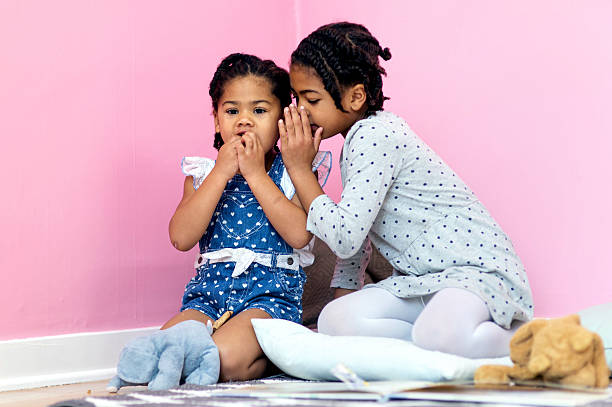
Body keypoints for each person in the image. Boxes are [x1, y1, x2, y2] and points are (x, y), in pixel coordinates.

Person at [279, 22, 534, 358]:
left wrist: (299, 169)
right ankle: (432, 340)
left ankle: (535, 338)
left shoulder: (375, 135)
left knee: (442, 336)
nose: (300, 110)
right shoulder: (358, 140)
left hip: (474, 274)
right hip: (423, 283)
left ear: (355, 96)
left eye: (311, 99)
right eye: (298, 97)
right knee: (333, 321)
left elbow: (344, 237)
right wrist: (347, 309)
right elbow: (358, 237)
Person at [110, 53, 330, 390]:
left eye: (259, 110)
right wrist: (221, 172)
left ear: (282, 120)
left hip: (268, 299)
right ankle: (253, 355)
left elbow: (300, 235)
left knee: (219, 358)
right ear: (216, 120)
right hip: (206, 298)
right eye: (232, 111)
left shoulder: (293, 172)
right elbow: (181, 237)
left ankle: (269, 353)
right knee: (165, 350)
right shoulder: (202, 175)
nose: (244, 121)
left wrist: (256, 173)